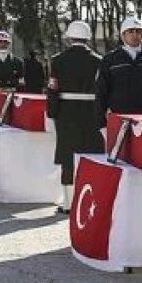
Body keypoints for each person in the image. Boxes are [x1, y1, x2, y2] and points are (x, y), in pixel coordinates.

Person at [46, 21, 104, 212]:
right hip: (91, 112)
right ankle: (90, 201)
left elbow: (53, 89)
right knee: (91, 154)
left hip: (66, 111)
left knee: (68, 155)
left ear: (70, 37)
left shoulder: (58, 60)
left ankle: (69, 203)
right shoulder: (99, 60)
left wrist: (51, 113)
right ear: (87, 37)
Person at [97, 16, 142, 129]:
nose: (135, 35)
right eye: (130, 31)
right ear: (123, 35)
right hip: (120, 120)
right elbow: (101, 93)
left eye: (138, 31)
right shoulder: (110, 60)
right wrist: (102, 125)